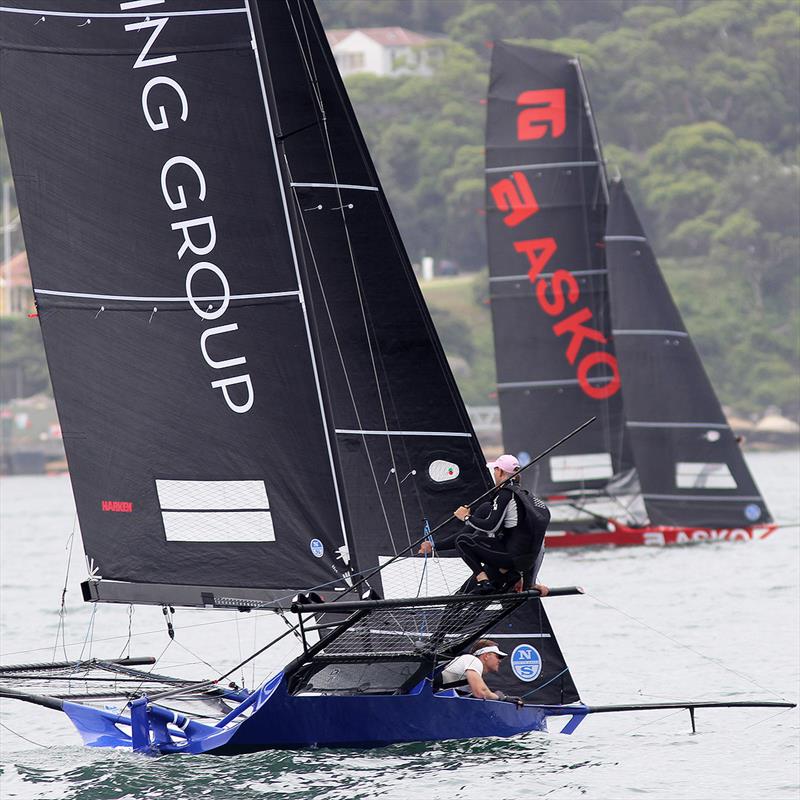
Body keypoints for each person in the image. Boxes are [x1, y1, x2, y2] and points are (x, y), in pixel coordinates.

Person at [419, 454, 550, 595]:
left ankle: (483, 581)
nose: (494, 474)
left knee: (462, 542)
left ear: (499, 471)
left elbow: (485, 528)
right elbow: (538, 544)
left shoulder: (505, 496)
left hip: (503, 563)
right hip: (517, 568)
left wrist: (466, 517)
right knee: (468, 604)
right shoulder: (527, 499)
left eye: (495, 470)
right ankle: (490, 582)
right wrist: (530, 583)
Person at [436, 639, 514, 701]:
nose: (500, 661)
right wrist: (500, 697)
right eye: (498, 656)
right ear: (486, 656)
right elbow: (481, 692)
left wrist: (504, 698)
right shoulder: (473, 660)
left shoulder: (471, 673)